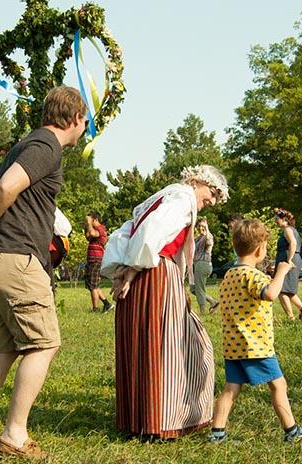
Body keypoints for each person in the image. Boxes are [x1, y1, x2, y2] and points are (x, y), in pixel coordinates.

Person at [0, 86, 85, 459]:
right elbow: (6, 188)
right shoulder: (46, 147)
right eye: (83, 122)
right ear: (74, 118)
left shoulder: (24, 145)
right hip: (17, 257)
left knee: (4, 347)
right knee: (43, 344)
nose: (83, 129)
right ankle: (14, 435)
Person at [100, 165, 228, 440]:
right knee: (171, 346)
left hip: (146, 272)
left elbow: (125, 233)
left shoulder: (162, 196)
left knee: (146, 343)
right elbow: (151, 233)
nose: (212, 202)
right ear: (196, 181)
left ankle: (141, 419)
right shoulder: (182, 198)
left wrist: (122, 270)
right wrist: (132, 271)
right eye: (211, 194)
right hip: (156, 274)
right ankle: (161, 419)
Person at [208, 219, 302, 444]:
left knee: (231, 389)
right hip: (256, 345)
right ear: (260, 249)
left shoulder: (228, 277)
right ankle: (291, 432)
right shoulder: (253, 276)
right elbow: (271, 294)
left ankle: (217, 434)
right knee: (278, 385)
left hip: (233, 346)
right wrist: (281, 271)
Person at [273, 209, 302, 320]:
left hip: (287, 259)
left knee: (281, 289)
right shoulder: (293, 229)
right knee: (289, 289)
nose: (275, 221)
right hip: (293, 258)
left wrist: (289, 260)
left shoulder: (287, 230)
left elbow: (293, 243)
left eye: (277, 219)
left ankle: (290, 317)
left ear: (284, 220)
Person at [84, 212, 112, 312]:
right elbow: (88, 236)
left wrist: (89, 224)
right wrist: (87, 225)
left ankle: (95, 309)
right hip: (92, 259)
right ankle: (107, 304)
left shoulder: (100, 229)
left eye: (90, 220)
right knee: (92, 284)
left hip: (96, 259)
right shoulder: (94, 229)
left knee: (93, 286)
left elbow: (92, 233)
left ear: (95, 220)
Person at [190, 218, 217, 313]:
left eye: (203, 226)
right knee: (193, 289)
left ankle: (202, 311)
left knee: (199, 289)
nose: (201, 228)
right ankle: (212, 301)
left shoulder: (208, 237)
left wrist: (207, 229)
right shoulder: (197, 238)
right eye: (199, 226)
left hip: (203, 264)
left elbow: (209, 242)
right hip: (197, 265)